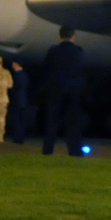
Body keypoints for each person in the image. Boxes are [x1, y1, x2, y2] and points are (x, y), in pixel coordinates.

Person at [40, 26, 87, 156]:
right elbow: (80, 71)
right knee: (73, 124)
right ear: (73, 37)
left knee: (52, 123)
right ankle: (75, 152)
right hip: (72, 91)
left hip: (56, 90)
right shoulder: (78, 51)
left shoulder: (53, 51)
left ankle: (48, 150)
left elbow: (46, 69)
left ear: (59, 37)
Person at [6, 60, 31, 144]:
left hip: (17, 100)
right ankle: (20, 137)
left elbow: (15, 87)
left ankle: (17, 138)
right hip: (23, 100)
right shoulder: (24, 75)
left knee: (16, 120)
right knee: (21, 120)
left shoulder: (17, 75)